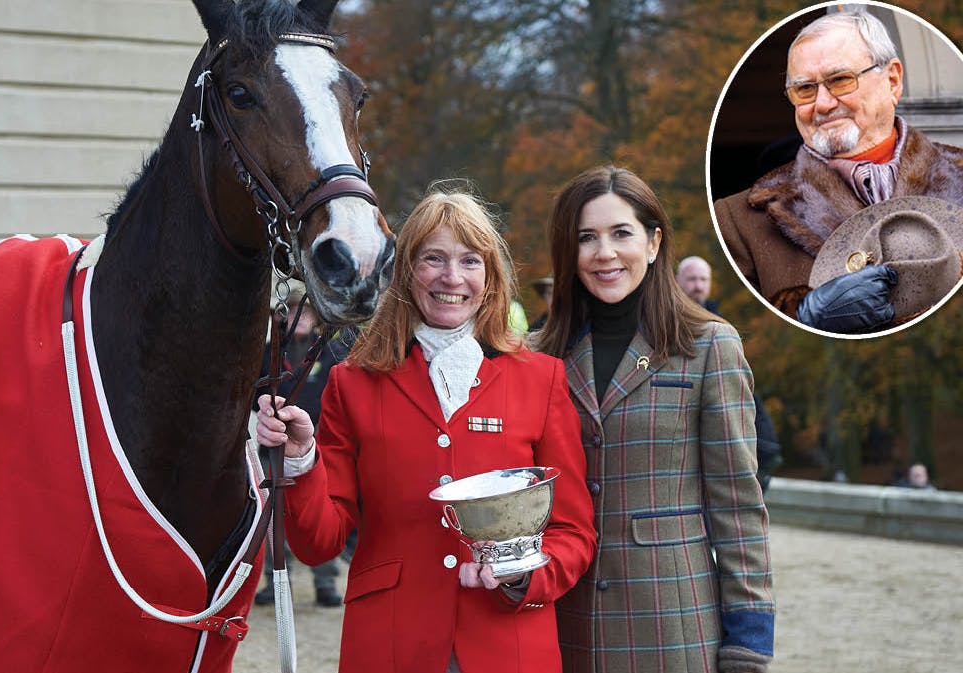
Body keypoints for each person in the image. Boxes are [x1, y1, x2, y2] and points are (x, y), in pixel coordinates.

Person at [255, 188, 597, 673]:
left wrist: (521, 578)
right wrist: (302, 457)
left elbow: (573, 531)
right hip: (392, 642)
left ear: (490, 277)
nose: (451, 278)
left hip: (508, 642)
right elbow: (319, 543)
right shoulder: (352, 383)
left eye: (470, 261)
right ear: (405, 274)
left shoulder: (540, 379)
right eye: (432, 258)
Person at [537, 166, 775, 672]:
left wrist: (750, 638)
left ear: (652, 242)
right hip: (561, 621)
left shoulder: (710, 346)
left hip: (673, 622)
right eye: (586, 238)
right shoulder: (539, 356)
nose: (604, 253)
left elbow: (737, 503)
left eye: (620, 233)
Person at [713, 9, 963, 333]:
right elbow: (723, 340)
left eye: (840, 80)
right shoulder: (736, 221)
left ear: (892, 81)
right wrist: (803, 316)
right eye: (805, 90)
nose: (823, 103)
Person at [255, 285, 351, 608]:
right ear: (283, 315)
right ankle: (275, 582)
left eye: (307, 311)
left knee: (322, 511)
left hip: (318, 448)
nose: (301, 317)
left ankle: (325, 583)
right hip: (275, 448)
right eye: (295, 311)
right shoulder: (269, 352)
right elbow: (252, 393)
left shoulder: (331, 352)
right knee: (272, 519)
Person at [675, 255, 783, 492]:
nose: (698, 286)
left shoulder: (722, 325)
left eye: (703, 279)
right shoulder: (667, 322)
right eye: (692, 279)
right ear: (677, 281)